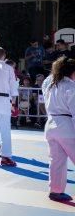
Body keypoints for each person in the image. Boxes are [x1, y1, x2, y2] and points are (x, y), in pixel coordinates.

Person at [42, 57, 75, 202]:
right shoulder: (70, 86)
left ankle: (55, 191)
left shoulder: (48, 83)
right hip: (66, 125)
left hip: (51, 124)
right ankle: (56, 191)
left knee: (56, 160)